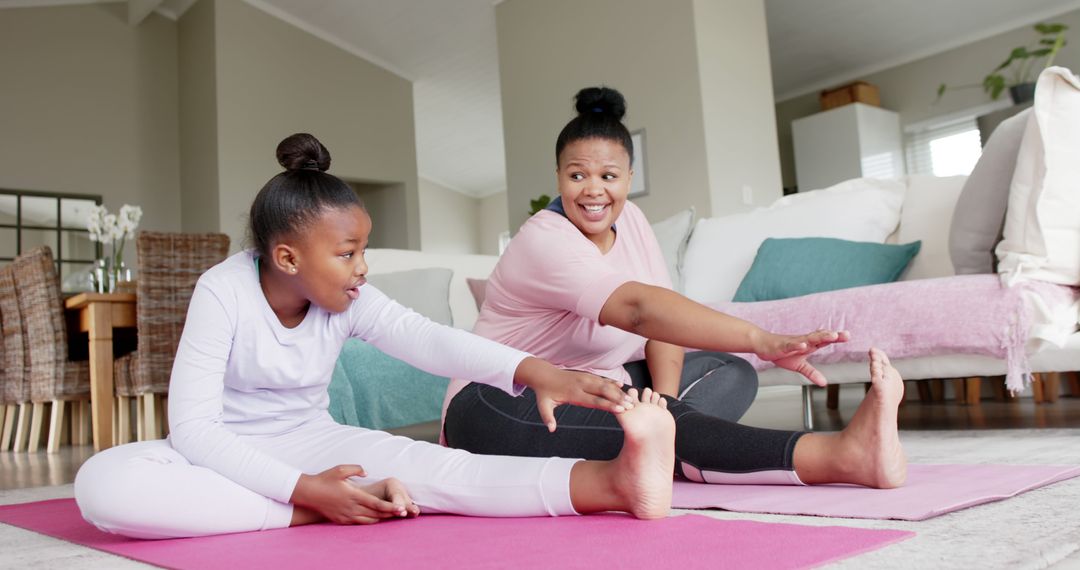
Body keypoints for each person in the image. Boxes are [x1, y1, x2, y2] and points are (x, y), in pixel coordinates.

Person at [73, 133, 681, 540]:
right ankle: (314, 510)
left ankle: (613, 483)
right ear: (287, 256)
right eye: (347, 253)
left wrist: (537, 372)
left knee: (449, 470)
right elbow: (196, 431)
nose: (362, 267)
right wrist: (309, 493)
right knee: (105, 484)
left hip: (315, 442)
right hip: (221, 456)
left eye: (362, 249)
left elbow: (427, 338)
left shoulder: (349, 298)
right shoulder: (221, 290)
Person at [443, 87, 907, 489]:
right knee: (663, 421)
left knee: (730, 372)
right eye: (576, 175)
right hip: (500, 402)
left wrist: (663, 400)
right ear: (559, 176)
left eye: (608, 176)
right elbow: (641, 310)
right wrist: (761, 339)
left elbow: (662, 328)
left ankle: (670, 448)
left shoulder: (634, 222)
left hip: (600, 385)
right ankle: (839, 455)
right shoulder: (544, 239)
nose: (593, 191)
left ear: (628, 178)